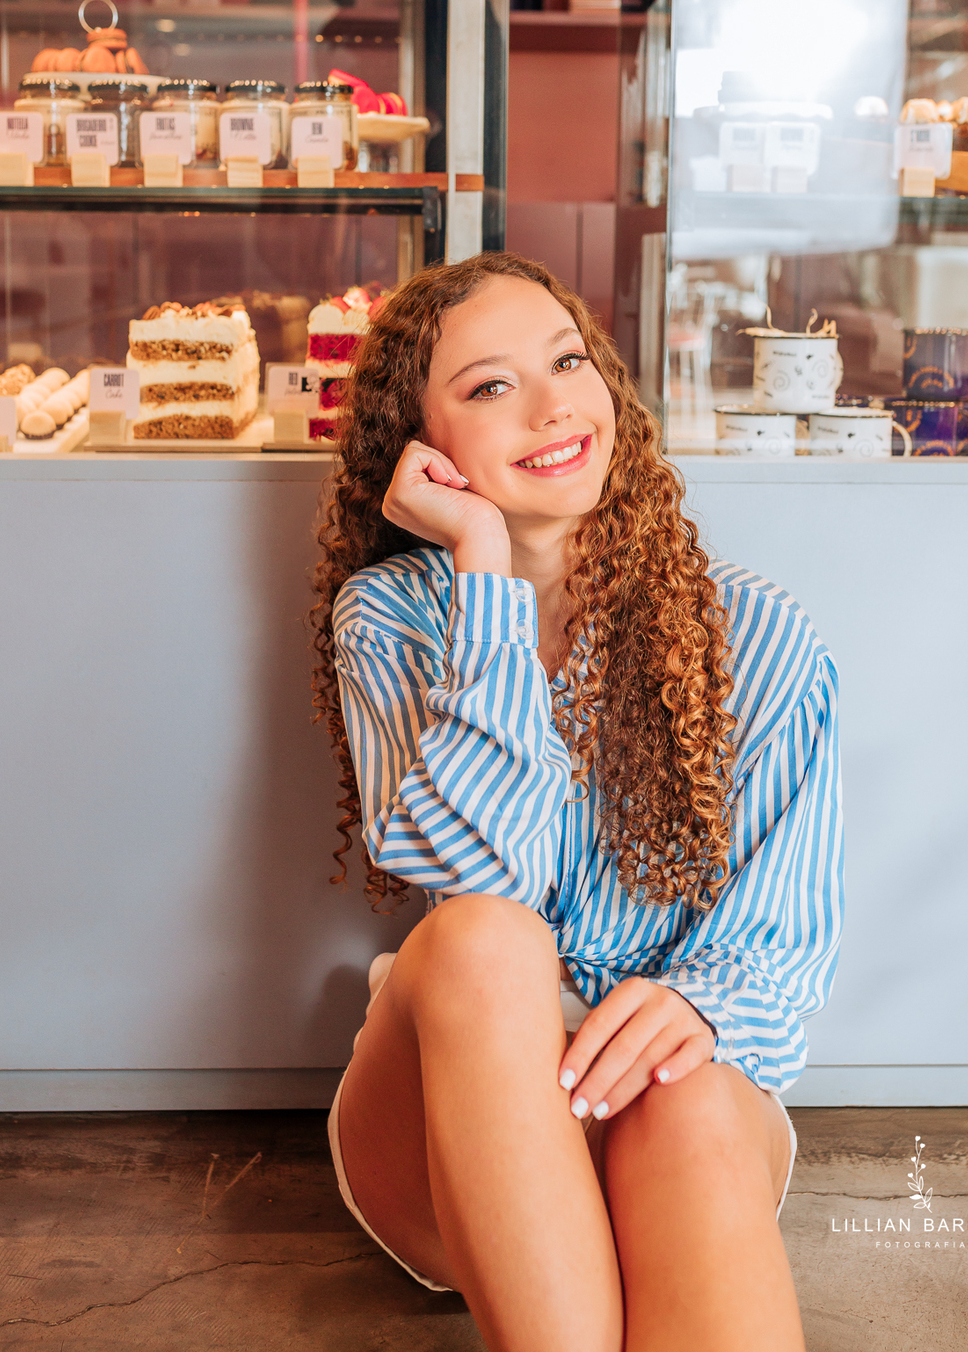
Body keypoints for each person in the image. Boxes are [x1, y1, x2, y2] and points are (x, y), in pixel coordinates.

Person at [311, 251, 843, 1352]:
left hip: (665, 1124)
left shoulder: (763, 638)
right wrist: (487, 575)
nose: (555, 402)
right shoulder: (391, 620)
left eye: (568, 360)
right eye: (489, 387)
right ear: (420, 450)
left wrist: (699, 1006)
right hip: (455, 1135)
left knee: (685, 1084)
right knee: (480, 943)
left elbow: (783, 935)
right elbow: (475, 876)